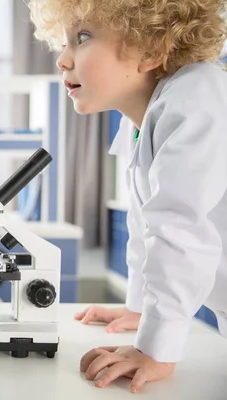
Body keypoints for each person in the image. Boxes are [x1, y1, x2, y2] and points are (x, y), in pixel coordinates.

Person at [29, 0, 227, 393]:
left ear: (151, 48)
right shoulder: (140, 120)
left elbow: (179, 228)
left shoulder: (197, 94)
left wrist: (155, 350)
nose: (63, 61)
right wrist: (139, 306)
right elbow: (146, 224)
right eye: (64, 42)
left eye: (82, 38)